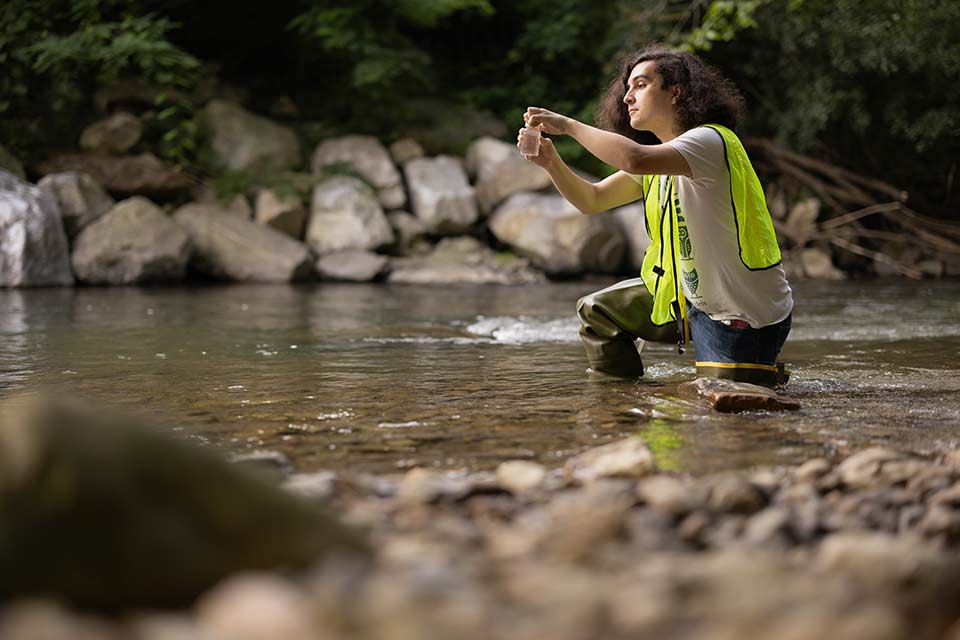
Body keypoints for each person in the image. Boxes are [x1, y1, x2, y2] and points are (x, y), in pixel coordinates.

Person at [518, 44, 793, 386]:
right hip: (684, 299)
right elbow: (592, 199)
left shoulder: (709, 141)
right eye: (627, 88)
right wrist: (551, 163)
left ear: (675, 91)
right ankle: (622, 405)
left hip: (742, 314)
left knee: (725, 409)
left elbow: (635, 159)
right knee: (598, 311)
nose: (627, 97)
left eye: (641, 85)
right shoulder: (658, 161)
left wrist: (569, 126)